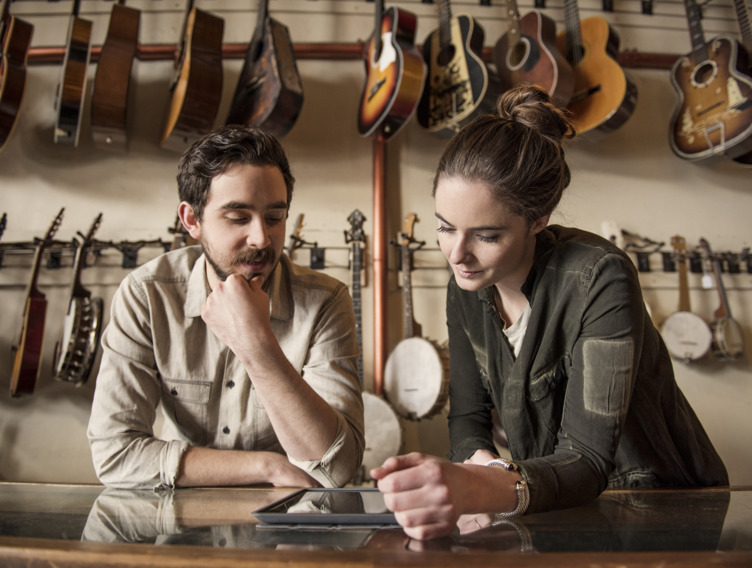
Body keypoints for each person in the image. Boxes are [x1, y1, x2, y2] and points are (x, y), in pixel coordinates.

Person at [370, 85, 728, 540]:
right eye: (444, 227)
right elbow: (467, 417)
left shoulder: (600, 276)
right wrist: (478, 462)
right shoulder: (464, 290)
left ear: (537, 219)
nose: (457, 254)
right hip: (554, 510)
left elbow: (588, 458)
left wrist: (483, 485)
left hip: (660, 510)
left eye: (486, 235)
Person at [88, 125, 364, 490]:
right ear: (191, 220)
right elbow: (115, 454)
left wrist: (256, 344)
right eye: (238, 217)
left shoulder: (326, 301)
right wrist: (266, 467)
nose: (262, 238)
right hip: (179, 525)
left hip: (289, 527)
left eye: (274, 217)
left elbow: (337, 467)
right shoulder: (146, 295)